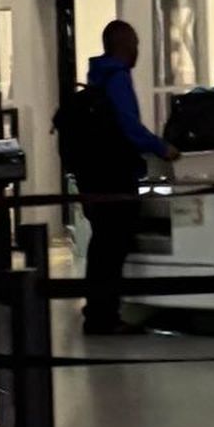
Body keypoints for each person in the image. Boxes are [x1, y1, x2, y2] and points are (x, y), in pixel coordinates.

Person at [80, 20, 179, 335]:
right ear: (123, 46)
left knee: (101, 245)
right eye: (134, 44)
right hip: (114, 176)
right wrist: (161, 147)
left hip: (92, 174)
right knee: (113, 244)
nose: (138, 51)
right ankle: (104, 316)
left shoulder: (96, 77)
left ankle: (96, 309)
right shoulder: (118, 78)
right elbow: (129, 126)